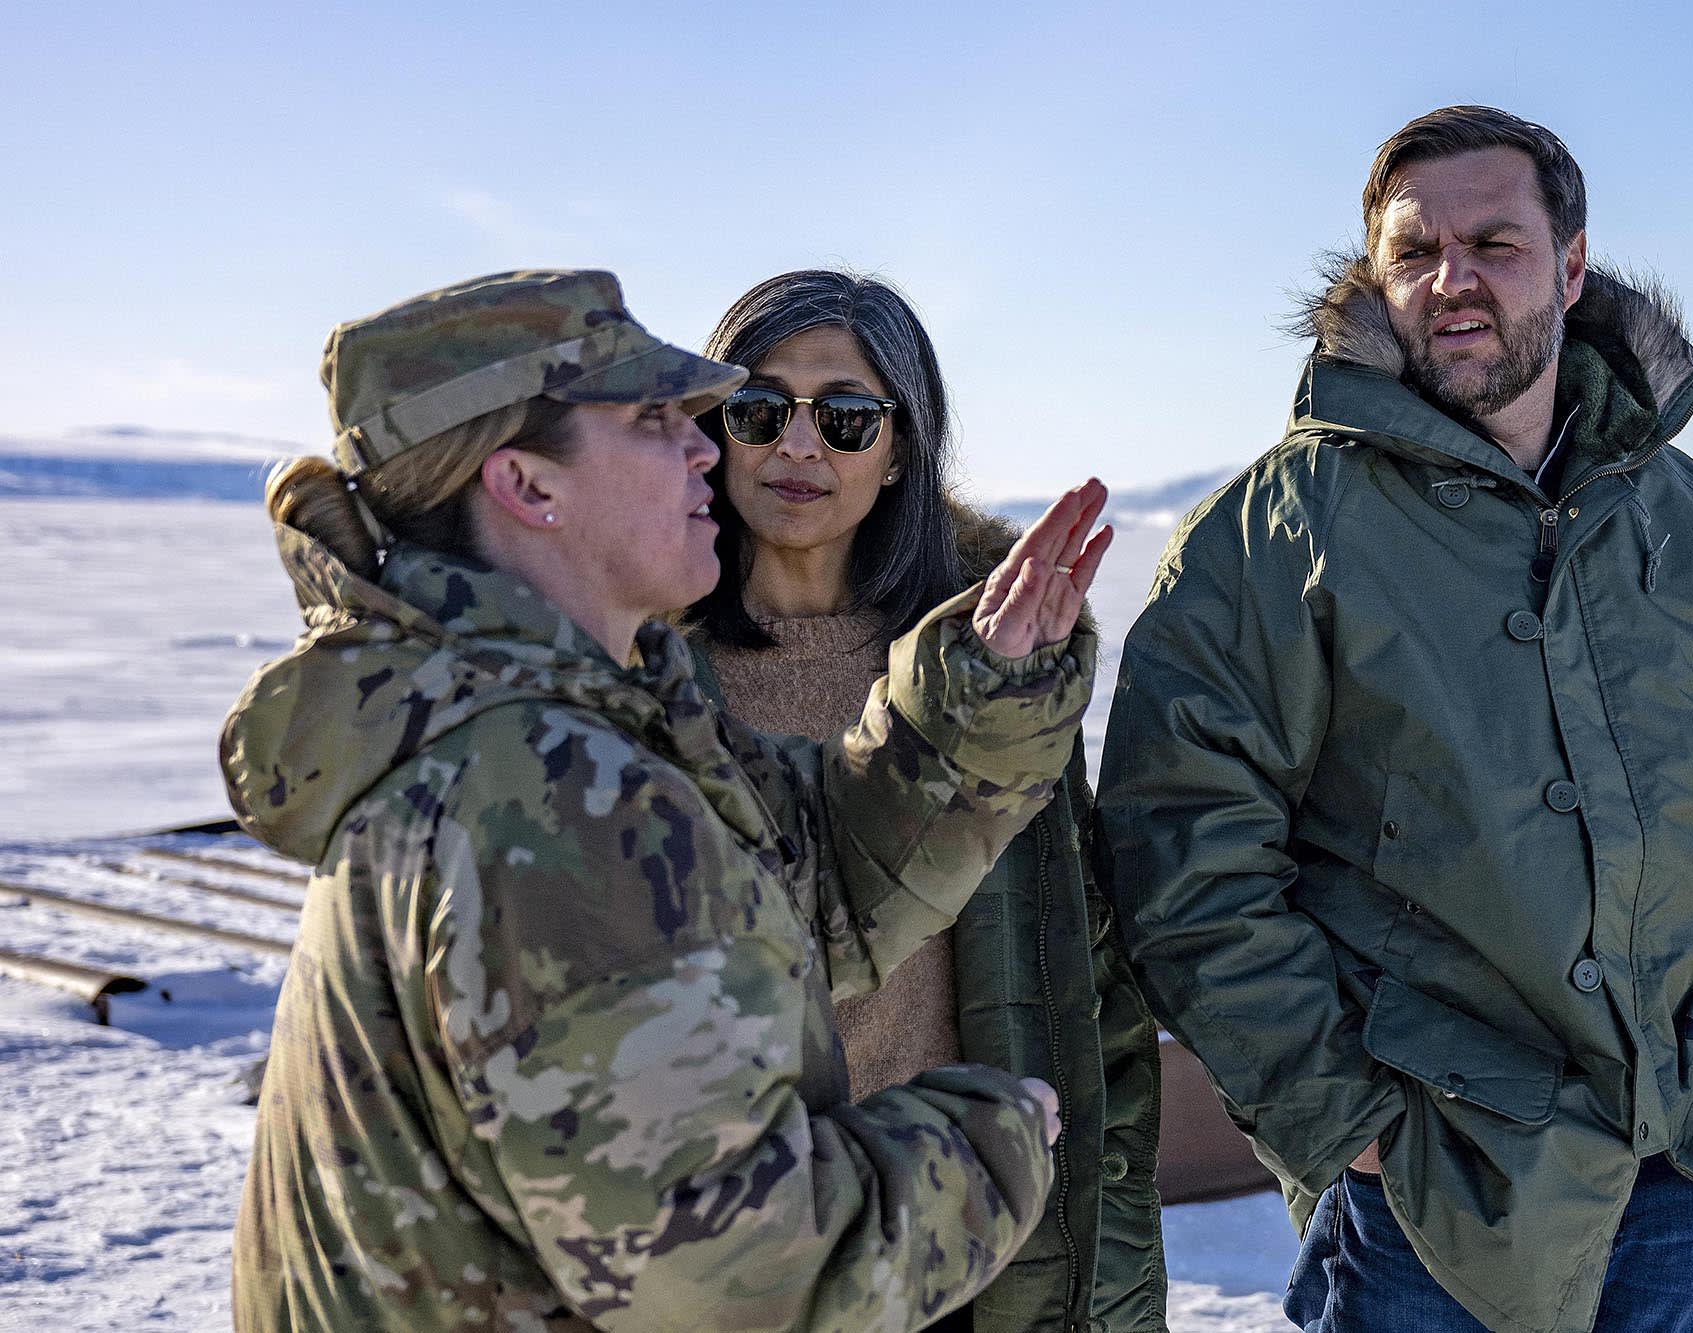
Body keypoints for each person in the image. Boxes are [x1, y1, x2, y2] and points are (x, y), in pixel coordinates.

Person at [221, 268, 1114, 1331]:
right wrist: (982, 1143)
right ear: (527, 487)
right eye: (656, 420)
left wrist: (969, 702)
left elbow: (803, 886)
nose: (706, 446)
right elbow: (730, 1277)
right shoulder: (543, 797)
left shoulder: (560, 718)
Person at [1097, 107, 1693, 1333]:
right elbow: (1183, 845)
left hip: (1674, 1151)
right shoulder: (1277, 530)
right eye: (1412, 252)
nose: (1450, 281)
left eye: (1493, 243)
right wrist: (1344, 1122)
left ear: (1568, 265)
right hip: (1427, 1182)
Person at [676, 269, 1166, 1333]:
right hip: (731, 1248)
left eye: (845, 418)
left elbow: (1084, 981)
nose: (797, 449)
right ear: (710, 427)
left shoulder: (985, 666)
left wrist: (1106, 1230)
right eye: (758, 409)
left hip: (966, 1227)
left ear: (899, 446)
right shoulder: (644, 667)